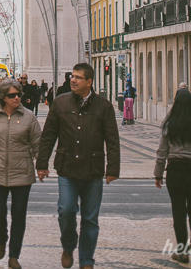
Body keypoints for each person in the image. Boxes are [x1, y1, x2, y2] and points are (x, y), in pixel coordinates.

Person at [37, 63, 120, 269]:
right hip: (67, 168)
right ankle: (68, 246)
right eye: (72, 76)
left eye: (78, 78)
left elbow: (112, 139)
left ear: (89, 82)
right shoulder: (60, 103)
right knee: (66, 211)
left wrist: (112, 169)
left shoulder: (103, 106)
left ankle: (86, 260)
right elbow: (48, 136)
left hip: (93, 170)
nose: (73, 80)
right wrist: (42, 164)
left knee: (90, 219)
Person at [0, 78, 41, 269]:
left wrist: (41, 165)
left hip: (22, 173)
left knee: (19, 215)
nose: (17, 98)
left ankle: (14, 256)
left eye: (19, 94)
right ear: (3, 97)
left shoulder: (29, 117)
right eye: (12, 95)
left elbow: (38, 143)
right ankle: (2, 239)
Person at [154, 88, 191, 264]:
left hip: (175, 171)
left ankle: (182, 251)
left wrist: (158, 174)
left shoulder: (169, 124)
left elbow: (161, 152)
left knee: (178, 211)